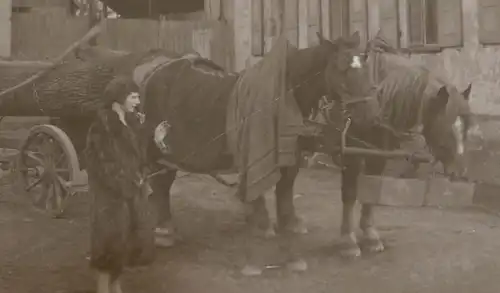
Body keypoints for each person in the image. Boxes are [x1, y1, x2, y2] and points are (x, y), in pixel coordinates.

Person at [85, 76, 155, 293]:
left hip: (128, 196)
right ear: (118, 99)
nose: (137, 101)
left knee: (122, 248)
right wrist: (126, 182)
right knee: (108, 249)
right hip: (110, 200)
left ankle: (116, 289)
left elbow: (139, 157)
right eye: (133, 97)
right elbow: (103, 166)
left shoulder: (130, 123)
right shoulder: (102, 127)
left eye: (138, 97)